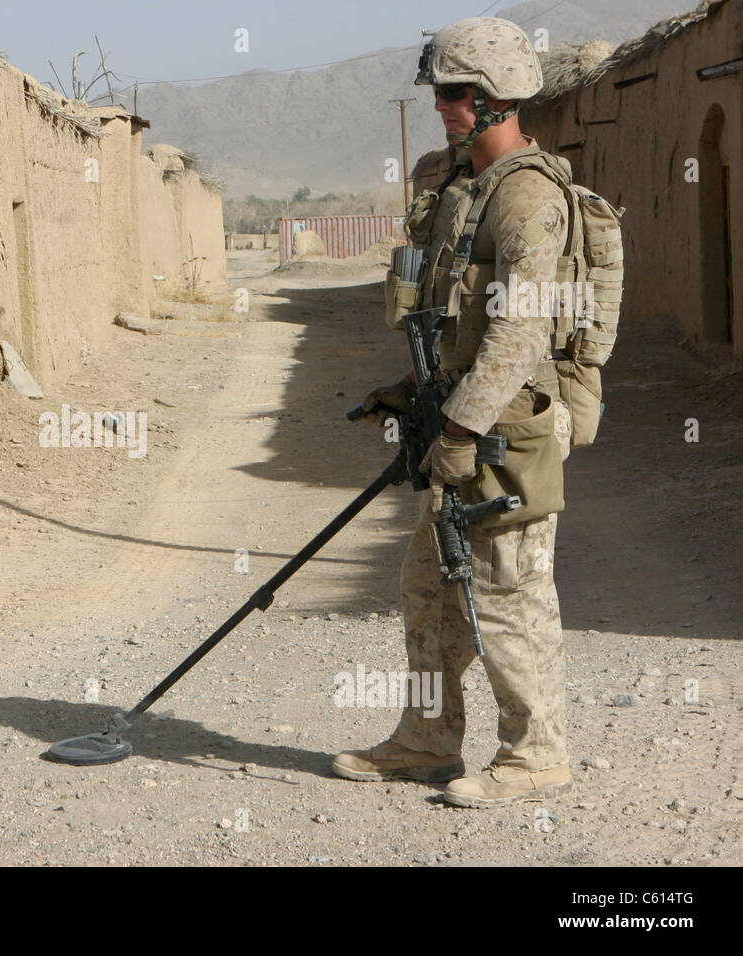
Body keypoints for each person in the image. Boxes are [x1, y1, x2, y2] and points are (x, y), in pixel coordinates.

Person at [333, 17, 576, 807]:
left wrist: (466, 429)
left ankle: (536, 755)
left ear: (499, 96)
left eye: (457, 91)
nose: (442, 103)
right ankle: (428, 741)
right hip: (455, 419)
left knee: (510, 594)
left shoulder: (530, 197)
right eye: (438, 89)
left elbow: (521, 327)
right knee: (429, 587)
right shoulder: (451, 184)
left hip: (505, 430)